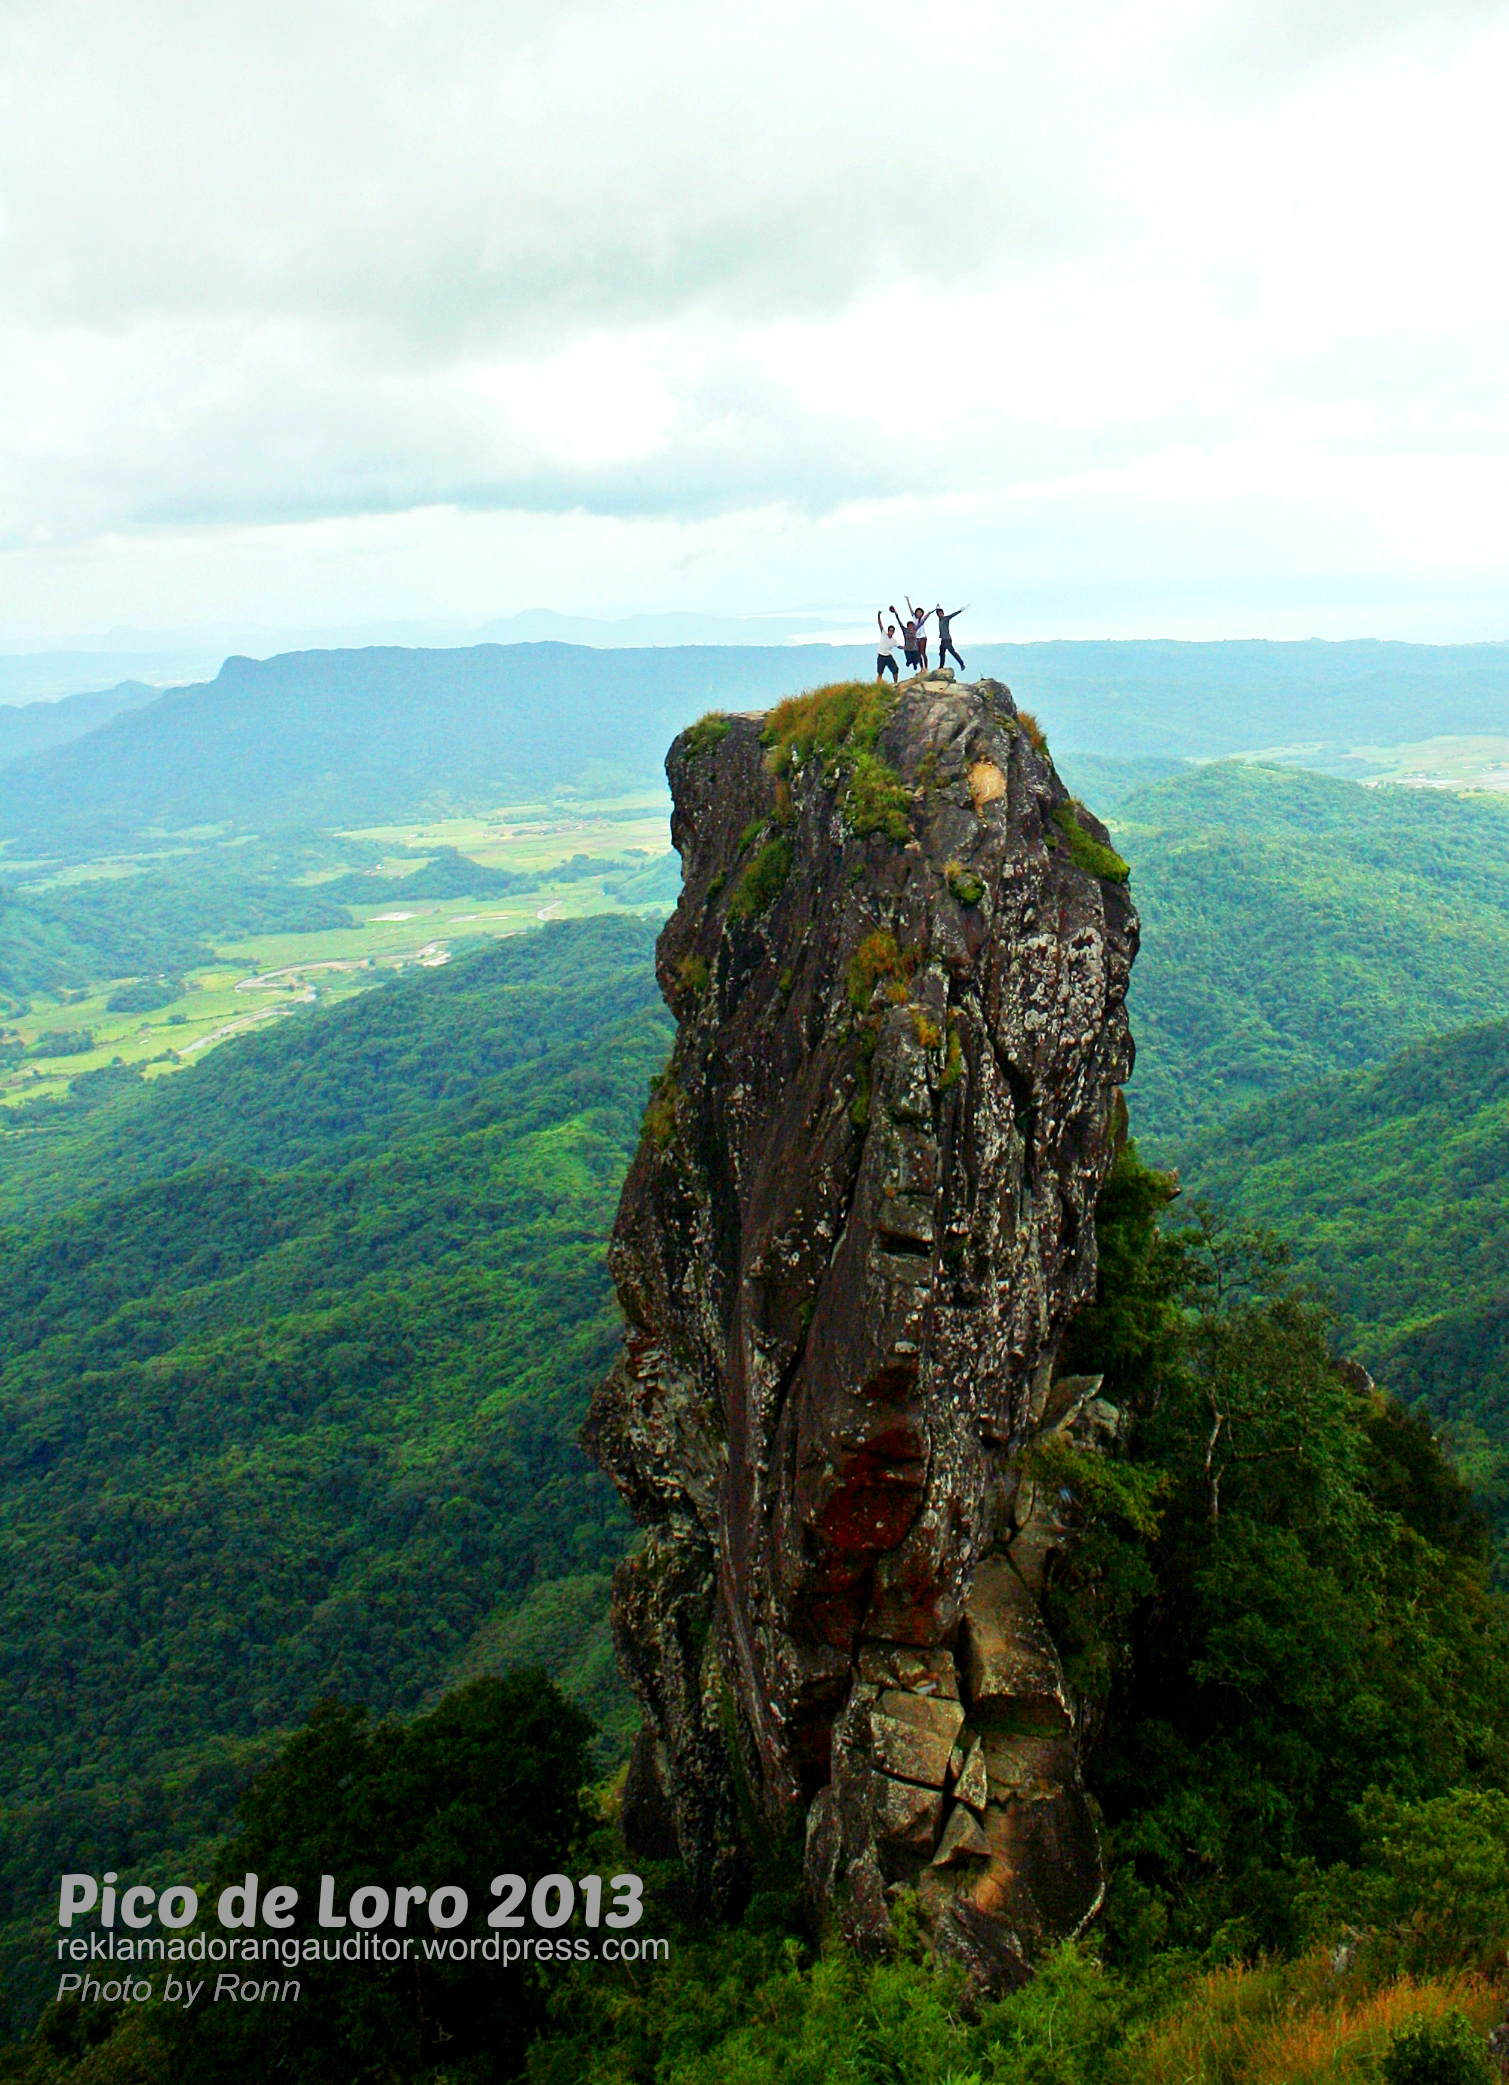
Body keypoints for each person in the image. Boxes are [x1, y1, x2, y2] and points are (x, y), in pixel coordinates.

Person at [935, 603, 966, 675]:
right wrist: (937, 608)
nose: (940, 614)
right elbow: (937, 612)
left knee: (951, 652)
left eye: (941, 613)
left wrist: (960, 610)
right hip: (943, 640)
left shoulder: (946, 618)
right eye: (939, 613)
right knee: (942, 653)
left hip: (947, 640)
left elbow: (952, 615)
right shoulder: (940, 620)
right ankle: (941, 666)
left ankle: (961, 664)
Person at [890, 604, 920, 672]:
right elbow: (899, 622)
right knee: (909, 660)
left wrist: (929, 614)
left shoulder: (915, 630)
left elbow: (921, 622)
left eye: (911, 626)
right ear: (907, 626)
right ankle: (909, 662)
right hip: (907, 649)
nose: (910, 627)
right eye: (909, 626)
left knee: (916, 661)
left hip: (914, 648)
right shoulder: (905, 630)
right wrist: (895, 613)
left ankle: (915, 664)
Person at [907, 597, 932, 672]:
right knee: (918, 653)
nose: (918, 613)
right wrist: (908, 600)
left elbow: (928, 614)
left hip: (923, 637)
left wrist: (934, 609)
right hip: (916, 638)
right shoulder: (915, 618)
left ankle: (926, 667)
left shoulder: (923, 619)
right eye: (917, 612)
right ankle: (921, 668)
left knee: (922, 652)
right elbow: (910, 610)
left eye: (920, 612)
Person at [876, 611, 900, 682]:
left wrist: (906, 647)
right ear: (888, 631)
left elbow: (898, 646)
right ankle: (878, 685)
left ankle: (895, 683)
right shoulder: (884, 634)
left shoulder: (894, 640)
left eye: (892, 631)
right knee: (880, 672)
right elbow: (880, 624)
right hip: (881, 656)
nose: (891, 632)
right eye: (890, 630)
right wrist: (878, 616)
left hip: (888, 656)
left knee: (895, 670)